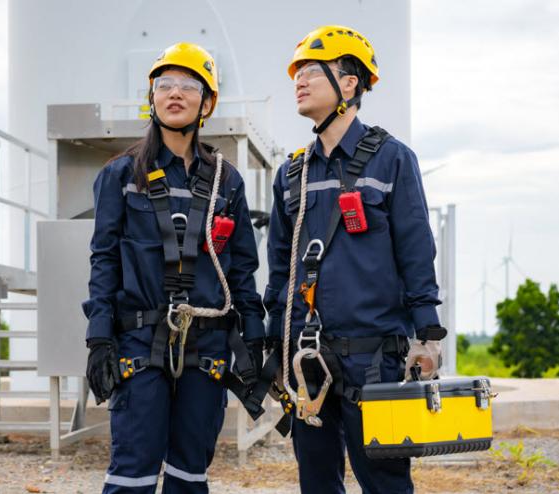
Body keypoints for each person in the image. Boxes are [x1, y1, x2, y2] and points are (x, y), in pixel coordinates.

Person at [263, 25, 448, 493]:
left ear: (349, 84)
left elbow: (416, 249)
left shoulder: (392, 160)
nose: (298, 82)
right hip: (308, 358)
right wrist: (271, 341)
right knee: (318, 483)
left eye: (310, 72)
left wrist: (427, 333)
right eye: (296, 74)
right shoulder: (292, 174)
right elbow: (281, 267)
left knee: (385, 483)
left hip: (374, 357)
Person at [82, 42, 265, 493]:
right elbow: (103, 259)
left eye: (189, 86)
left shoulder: (228, 181)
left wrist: (255, 336)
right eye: (165, 85)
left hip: (208, 347)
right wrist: (99, 337)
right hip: (141, 342)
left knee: (189, 474)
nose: (175, 93)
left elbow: (241, 267)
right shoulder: (121, 176)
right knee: (132, 474)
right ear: (152, 98)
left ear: (207, 103)